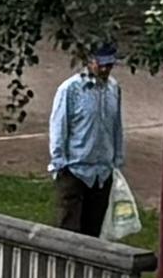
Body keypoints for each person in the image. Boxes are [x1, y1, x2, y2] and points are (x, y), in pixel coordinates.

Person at [49, 48, 125, 235]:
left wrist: (116, 161)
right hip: (75, 169)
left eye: (110, 65)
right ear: (90, 61)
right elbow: (59, 127)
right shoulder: (70, 89)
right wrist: (60, 164)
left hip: (102, 172)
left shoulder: (113, 88)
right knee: (69, 228)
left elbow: (116, 126)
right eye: (102, 64)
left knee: (94, 229)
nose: (106, 69)